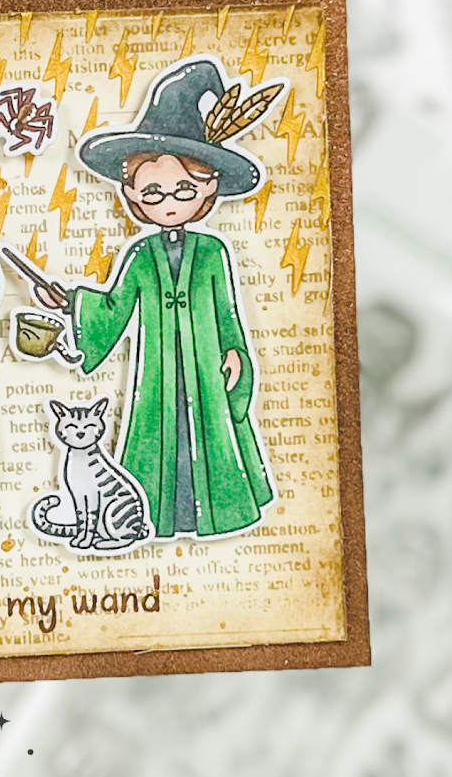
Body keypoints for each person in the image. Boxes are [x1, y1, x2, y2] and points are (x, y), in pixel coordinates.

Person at [30, 57, 278, 540]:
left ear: (208, 191)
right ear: (132, 194)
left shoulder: (213, 253)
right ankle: (158, 515)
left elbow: (228, 313)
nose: (168, 202)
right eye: (153, 192)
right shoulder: (141, 255)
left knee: (212, 432)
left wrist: (234, 353)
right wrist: (70, 302)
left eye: (183, 189)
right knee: (156, 434)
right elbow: (114, 306)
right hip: (158, 375)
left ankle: (218, 512)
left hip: (206, 367)